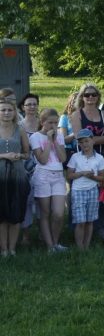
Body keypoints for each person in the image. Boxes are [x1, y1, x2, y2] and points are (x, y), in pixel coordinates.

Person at [30, 109, 68, 252]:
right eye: (50, 122)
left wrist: (55, 141)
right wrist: (48, 141)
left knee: (58, 213)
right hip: (43, 175)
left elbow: (63, 159)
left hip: (58, 176)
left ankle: (55, 242)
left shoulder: (59, 136)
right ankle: (49, 245)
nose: (53, 125)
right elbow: (43, 159)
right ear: (42, 122)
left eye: (55, 122)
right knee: (45, 212)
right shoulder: (35, 137)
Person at [0, 98, 32, 256]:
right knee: (1, 213)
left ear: (14, 112)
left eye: (9, 110)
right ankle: (3, 249)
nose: (6, 113)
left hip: (17, 174)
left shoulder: (20, 129)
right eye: (3, 110)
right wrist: (5, 155)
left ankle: (12, 248)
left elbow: (27, 154)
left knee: (15, 210)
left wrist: (18, 155)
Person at [66, 129, 104, 251]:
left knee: (90, 221)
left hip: (93, 190)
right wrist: (82, 173)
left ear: (93, 141)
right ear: (79, 144)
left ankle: (86, 246)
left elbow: (102, 178)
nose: (85, 144)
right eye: (81, 142)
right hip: (78, 191)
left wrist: (93, 177)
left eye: (87, 141)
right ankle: (80, 247)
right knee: (80, 221)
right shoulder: (75, 157)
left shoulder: (99, 158)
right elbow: (69, 175)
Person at [70, 82, 104, 154]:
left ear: (98, 96)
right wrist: (100, 139)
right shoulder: (76, 115)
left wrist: (87, 140)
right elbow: (79, 137)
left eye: (94, 95)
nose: (91, 97)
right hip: (82, 153)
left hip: (101, 153)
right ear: (82, 97)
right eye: (87, 95)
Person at [58, 91, 80, 161]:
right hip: (70, 150)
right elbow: (63, 140)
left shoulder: (87, 116)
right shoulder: (64, 117)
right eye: (75, 102)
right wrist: (76, 133)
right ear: (71, 103)